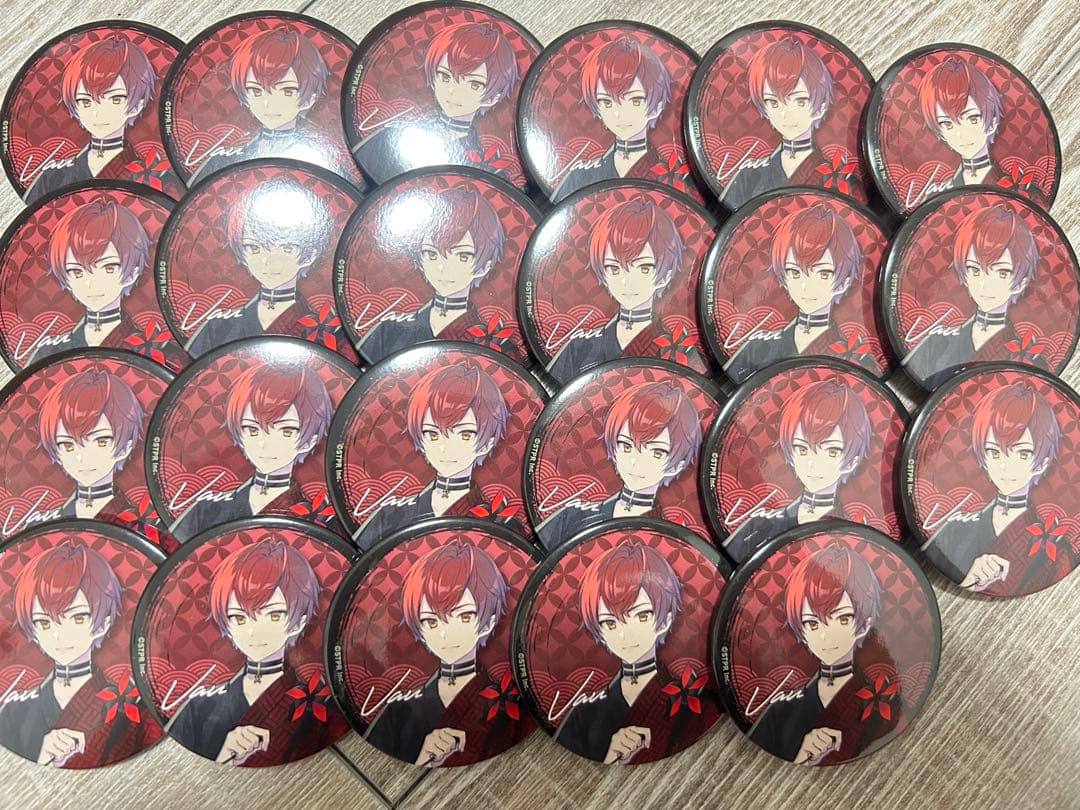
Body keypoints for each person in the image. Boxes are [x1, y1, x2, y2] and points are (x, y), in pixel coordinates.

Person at [166, 538, 332, 764]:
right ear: (226, 624)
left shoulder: (318, 701)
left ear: (299, 622)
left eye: (274, 615)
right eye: (239, 618)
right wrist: (225, 756)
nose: (254, 632)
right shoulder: (199, 708)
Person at [0, 540, 147, 767]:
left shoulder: (130, 703)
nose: (60, 636)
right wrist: (43, 759)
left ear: (104, 623)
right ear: (32, 630)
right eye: (44, 623)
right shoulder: (14, 712)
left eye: (78, 618)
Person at [365, 542, 512, 766]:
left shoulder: (508, 703)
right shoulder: (398, 710)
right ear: (419, 629)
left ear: (488, 622)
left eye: (464, 617)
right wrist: (424, 759)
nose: (446, 634)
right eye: (431, 622)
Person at [558, 541, 703, 764]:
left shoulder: (692, 698)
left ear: (665, 621)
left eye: (641, 616)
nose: (625, 635)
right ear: (599, 632)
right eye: (610, 623)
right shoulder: (583, 713)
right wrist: (611, 757)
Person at [351, 362, 517, 549]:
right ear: (420, 439)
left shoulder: (502, 521)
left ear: (487, 444)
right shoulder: (390, 516)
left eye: (465, 435)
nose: (445, 448)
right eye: (432, 434)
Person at [922, 382, 1070, 591]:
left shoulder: (1056, 551)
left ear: (1043, 463)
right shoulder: (955, 530)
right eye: (994, 452)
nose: (1005, 467)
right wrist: (969, 580)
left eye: (1022, 453)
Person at [749, 543, 886, 764]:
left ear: (864, 625)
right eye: (812, 623)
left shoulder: (883, 700)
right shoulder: (779, 713)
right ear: (800, 631)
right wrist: (802, 757)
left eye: (842, 619)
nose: (825, 636)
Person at [170, 365, 332, 542]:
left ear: (309, 441)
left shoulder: (319, 516)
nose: (265, 444)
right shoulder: (205, 510)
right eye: (253, 430)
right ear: (239, 433)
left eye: (286, 431)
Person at [537, 381, 701, 550]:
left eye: (656, 453)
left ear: (677, 466)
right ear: (614, 450)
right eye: (627, 446)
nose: (635, 462)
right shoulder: (571, 517)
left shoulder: (673, 542)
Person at [723, 379, 871, 562]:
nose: (812, 463)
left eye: (831, 451)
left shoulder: (858, 536)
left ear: (851, 462)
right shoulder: (758, 527)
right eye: (802, 449)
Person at [351, 21, 519, 181]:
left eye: (474, 84)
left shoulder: (489, 168)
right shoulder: (389, 137)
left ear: (492, 98)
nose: (453, 91)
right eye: (445, 76)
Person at [357, 186, 507, 363]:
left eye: (462, 256)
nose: (443, 268)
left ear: (485, 266)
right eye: (431, 254)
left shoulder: (496, 343)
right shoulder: (388, 331)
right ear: (420, 259)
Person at [546, 198, 689, 382]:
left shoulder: (680, 347)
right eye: (613, 268)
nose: (626, 282)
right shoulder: (578, 348)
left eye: (644, 268)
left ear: (665, 276)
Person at [184, 180, 331, 357]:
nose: (267, 261)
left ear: (309, 256)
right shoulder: (217, 327)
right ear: (242, 253)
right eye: (254, 248)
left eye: (287, 248)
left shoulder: (326, 330)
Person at [723, 204, 868, 381]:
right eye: (794, 272)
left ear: (844, 283)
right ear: (783, 277)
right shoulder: (756, 348)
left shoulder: (856, 356)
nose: (806, 287)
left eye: (823, 274)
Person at [903, 205, 1042, 389]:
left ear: (1021, 282)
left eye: (1002, 273)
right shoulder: (936, 342)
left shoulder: (1027, 355)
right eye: (975, 270)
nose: (985, 285)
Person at [24, 37, 178, 203]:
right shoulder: (52, 178)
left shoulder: (158, 178)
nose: (98, 113)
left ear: (137, 106)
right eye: (85, 101)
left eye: (115, 99)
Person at [189, 27, 339, 182]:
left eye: (287, 91)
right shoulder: (221, 163)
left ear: (310, 98)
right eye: (256, 91)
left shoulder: (327, 163)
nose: (268, 104)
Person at [25, 199, 149, 364]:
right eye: (77, 272)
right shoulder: (48, 353)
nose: (91, 284)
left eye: (108, 268)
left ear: (132, 274)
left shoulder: (152, 347)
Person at [720, 38, 836, 209]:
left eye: (800, 101)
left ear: (821, 107)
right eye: (773, 102)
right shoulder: (749, 176)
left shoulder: (838, 177)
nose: (785, 114)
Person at [553, 37, 671, 199]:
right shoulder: (580, 177)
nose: (619, 114)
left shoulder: (673, 177)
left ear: (657, 107)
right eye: (607, 102)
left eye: (635, 101)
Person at [38, 368, 144, 522]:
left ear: (125, 449)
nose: (82, 457)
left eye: (101, 442)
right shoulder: (45, 522)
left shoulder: (140, 521)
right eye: (67, 445)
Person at [917, 57, 1005, 195]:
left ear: (993, 123)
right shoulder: (936, 194)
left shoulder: (1021, 189)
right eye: (947, 124)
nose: (961, 134)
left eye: (972, 119)